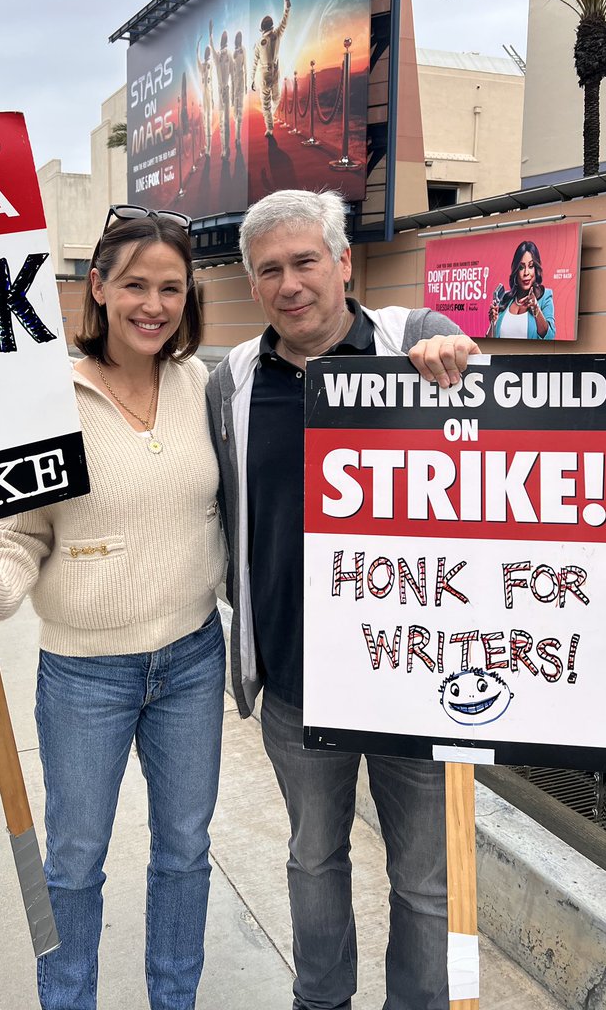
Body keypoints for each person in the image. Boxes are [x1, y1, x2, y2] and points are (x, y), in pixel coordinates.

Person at [0, 206, 226, 1010]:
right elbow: (18, 538)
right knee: (70, 861)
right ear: (97, 286)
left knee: (186, 851)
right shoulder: (44, 400)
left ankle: (176, 999)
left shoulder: (202, 383)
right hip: (84, 676)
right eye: (135, 284)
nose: (154, 304)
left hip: (194, 661)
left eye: (171, 287)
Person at [205, 189, 480, 1010]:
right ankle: (320, 1003)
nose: (290, 284)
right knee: (313, 859)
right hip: (298, 684)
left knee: (425, 881)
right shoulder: (234, 384)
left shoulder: (415, 345)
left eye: (304, 262)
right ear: (253, 286)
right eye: (269, 271)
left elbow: (498, 412)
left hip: (416, 681)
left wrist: (458, 352)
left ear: (344, 263)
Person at [487, 240, 555, 340]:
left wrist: (536, 310)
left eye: (531, 266)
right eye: (521, 267)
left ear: (536, 269)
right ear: (516, 270)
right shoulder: (504, 299)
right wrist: (492, 323)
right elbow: (490, 342)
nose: (526, 272)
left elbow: (549, 337)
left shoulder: (545, 297)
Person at [251, 0, 291, 136]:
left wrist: (252, 81)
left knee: (266, 104)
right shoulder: (277, 33)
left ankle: (269, 128)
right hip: (275, 73)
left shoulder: (259, 42)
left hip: (264, 74)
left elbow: (254, 63)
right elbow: (285, 19)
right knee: (276, 99)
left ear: (262, 29)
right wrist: (286, 1)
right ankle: (270, 121)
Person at [209, 19, 232, 160]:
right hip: (220, 90)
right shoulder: (217, 56)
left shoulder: (228, 54)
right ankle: (224, 149)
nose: (223, 40)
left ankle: (226, 147)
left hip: (226, 90)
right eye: (222, 38)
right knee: (222, 122)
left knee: (226, 121)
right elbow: (211, 48)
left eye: (225, 38)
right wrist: (210, 34)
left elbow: (233, 72)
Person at [196, 38, 214, 157]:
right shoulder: (203, 66)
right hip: (203, 94)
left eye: (208, 52)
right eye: (206, 52)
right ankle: (206, 147)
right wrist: (197, 51)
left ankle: (209, 149)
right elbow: (199, 65)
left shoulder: (210, 65)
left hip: (208, 93)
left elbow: (211, 82)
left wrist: (212, 98)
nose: (207, 53)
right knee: (204, 121)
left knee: (208, 120)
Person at [231, 30, 247, 150]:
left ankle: (238, 138)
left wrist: (246, 84)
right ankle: (237, 136)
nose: (238, 39)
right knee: (235, 113)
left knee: (240, 113)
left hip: (241, 82)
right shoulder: (233, 53)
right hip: (233, 85)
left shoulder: (243, 50)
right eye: (237, 38)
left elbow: (245, 66)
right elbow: (231, 73)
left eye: (240, 38)